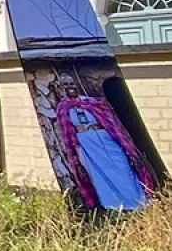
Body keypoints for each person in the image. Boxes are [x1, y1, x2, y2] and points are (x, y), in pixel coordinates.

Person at [52, 72, 154, 211]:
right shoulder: (63, 108)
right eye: (65, 85)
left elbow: (110, 123)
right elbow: (68, 134)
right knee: (100, 175)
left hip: (106, 139)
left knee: (123, 167)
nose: (69, 87)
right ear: (61, 88)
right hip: (86, 144)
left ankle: (138, 201)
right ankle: (114, 205)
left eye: (71, 83)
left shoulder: (92, 103)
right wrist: (77, 152)